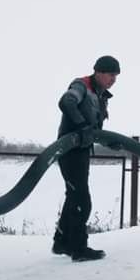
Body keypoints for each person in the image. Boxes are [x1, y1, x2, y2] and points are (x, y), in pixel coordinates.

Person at [53, 55, 120, 262]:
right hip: (69, 150)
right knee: (82, 200)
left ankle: (61, 242)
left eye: (116, 76)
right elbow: (66, 102)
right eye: (110, 75)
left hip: (81, 152)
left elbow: (94, 131)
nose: (113, 80)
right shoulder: (81, 86)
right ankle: (78, 248)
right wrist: (81, 125)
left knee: (74, 196)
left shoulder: (101, 96)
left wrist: (110, 142)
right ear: (98, 72)